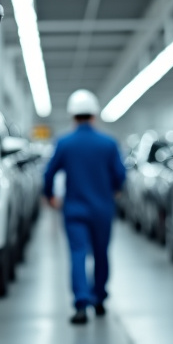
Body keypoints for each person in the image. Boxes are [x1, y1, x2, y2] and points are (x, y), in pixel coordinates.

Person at [43, 89, 127, 325]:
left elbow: (49, 173)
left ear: (72, 116)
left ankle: (81, 303)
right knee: (101, 254)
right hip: (102, 209)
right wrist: (114, 189)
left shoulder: (64, 143)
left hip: (74, 210)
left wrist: (49, 196)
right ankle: (99, 298)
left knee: (78, 254)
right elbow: (120, 175)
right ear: (94, 115)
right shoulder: (108, 144)